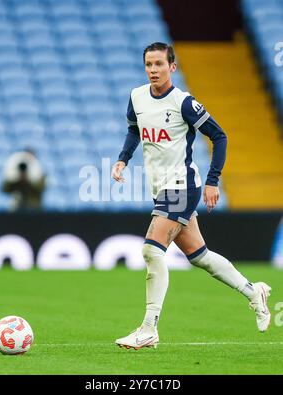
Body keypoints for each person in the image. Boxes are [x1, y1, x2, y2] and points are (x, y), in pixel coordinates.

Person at [111, 42, 271, 350]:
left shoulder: (183, 103)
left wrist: (213, 181)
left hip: (182, 185)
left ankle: (148, 329)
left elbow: (220, 135)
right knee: (201, 257)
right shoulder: (137, 97)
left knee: (151, 251)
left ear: (172, 67)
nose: (153, 70)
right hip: (162, 187)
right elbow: (134, 130)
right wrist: (123, 159)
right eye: (148, 64)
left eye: (159, 64)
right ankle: (254, 292)